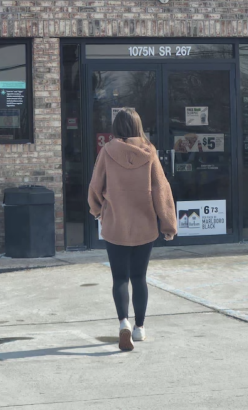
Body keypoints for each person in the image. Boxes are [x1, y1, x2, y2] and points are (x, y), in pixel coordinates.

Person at [88, 108, 177, 351]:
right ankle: (139, 328)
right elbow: (161, 189)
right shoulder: (150, 153)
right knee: (139, 278)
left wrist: (97, 210)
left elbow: (95, 186)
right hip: (144, 226)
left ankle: (123, 323)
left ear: (116, 127)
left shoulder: (107, 151)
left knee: (119, 278)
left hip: (115, 224)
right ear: (138, 126)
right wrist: (168, 224)